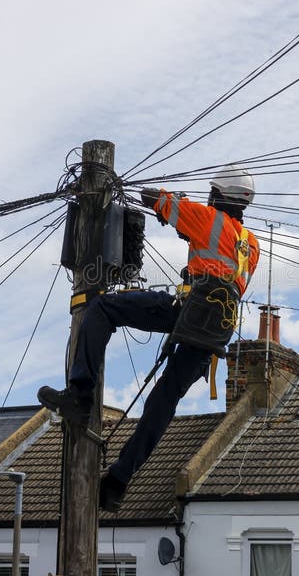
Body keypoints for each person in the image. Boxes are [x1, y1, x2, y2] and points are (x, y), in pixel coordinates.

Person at [38, 165, 259, 511]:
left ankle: (80, 395)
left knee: (103, 308)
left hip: (187, 309)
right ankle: (117, 482)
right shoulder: (251, 245)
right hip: (216, 332)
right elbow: (218, 256)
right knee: (163, 401)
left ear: (218, 195)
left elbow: (152, 198)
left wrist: (174, 202)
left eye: (211, 193)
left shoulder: (206, 218)